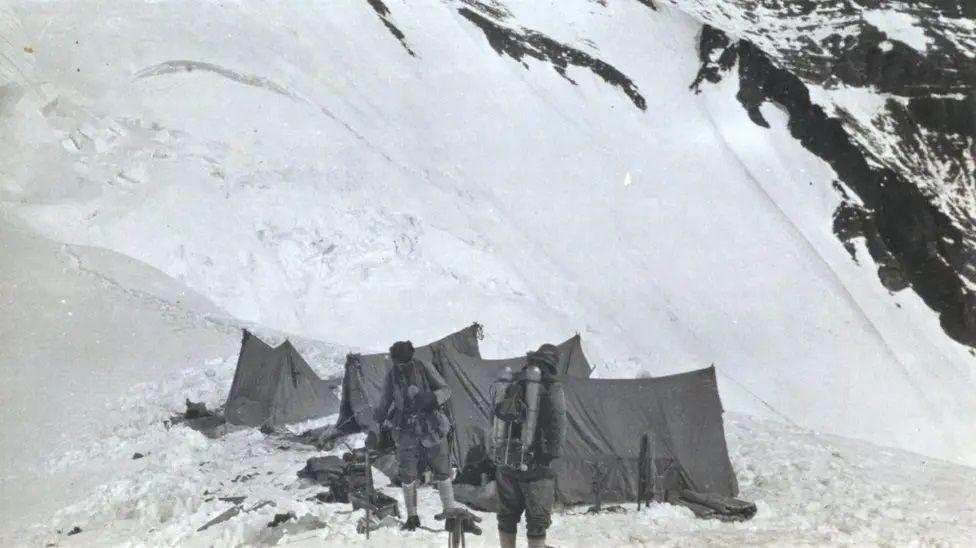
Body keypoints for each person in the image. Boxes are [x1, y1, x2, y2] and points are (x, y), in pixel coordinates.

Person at [373, 340, 457, 531]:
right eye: (399, 364)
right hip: (406, 432)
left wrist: (431, 398)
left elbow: (446, 390)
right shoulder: (391, 376)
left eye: (405, 363)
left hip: (432, 428)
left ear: (410, 358)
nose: (402, 367)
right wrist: (380, 413)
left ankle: (450, 514)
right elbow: (385, 400)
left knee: (443, 470)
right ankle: (412, 517)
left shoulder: (424, 367)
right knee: (407, 474)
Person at [496, 344, 567, 548]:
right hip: (536, 464)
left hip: (506, 460)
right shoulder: (553, 387)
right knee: (537, 522)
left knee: (507, 517)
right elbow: (559, 424)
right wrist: (550, 456)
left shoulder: (512, 381)